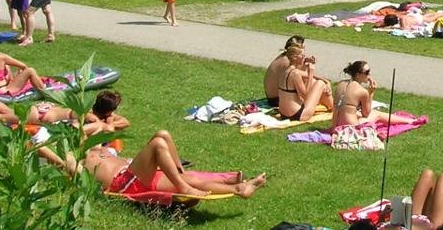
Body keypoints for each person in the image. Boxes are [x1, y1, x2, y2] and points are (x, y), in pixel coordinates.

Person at [38, 130, 267, 198]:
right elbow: (46, 152)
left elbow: (93, 127)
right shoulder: (74, 160)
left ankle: (239, 188)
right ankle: (184, 185)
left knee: (163, 134)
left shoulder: (95, 148)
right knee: (158, 143)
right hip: (124, 183)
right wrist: (41, 146)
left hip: (135, 172)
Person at [331, 60, 414, 130]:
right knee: (376, 114)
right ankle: (410, 121)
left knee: (355, 113)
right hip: (351, 127)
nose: (370, 74)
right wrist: (371, 93)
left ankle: (408, 120)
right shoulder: (362, 91)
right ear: (358, 74)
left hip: (335, 126)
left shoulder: (341, 84)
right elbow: (366, 114)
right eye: (367, 72)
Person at [27, 89, 131, 136]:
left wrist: (111, 121)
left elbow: (126, 122)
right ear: (109, 111)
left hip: (48, 110)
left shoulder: (93, 109)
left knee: (11, 115)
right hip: (43, 115)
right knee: (10, 116)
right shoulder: (90, 116)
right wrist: (110, 122)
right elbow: (108, 129)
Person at [278, 44, 333, 121]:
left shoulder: (287, 71)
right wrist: (311, 72)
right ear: (294, 57)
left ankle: (333, 106)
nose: (305, 57)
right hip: (297, 115)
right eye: (302, 55)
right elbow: (305, 96)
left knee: (316, 82)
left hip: (284, 114)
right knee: (320, 84)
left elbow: (307, 76)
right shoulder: (295, 74)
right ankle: (335, 108)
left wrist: (327, 82)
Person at [264, 35, 306, 103]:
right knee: (315, 84)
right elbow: (302, 77)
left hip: (272, 97)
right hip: (277, 99)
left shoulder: (283, 57)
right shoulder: (288, 62)